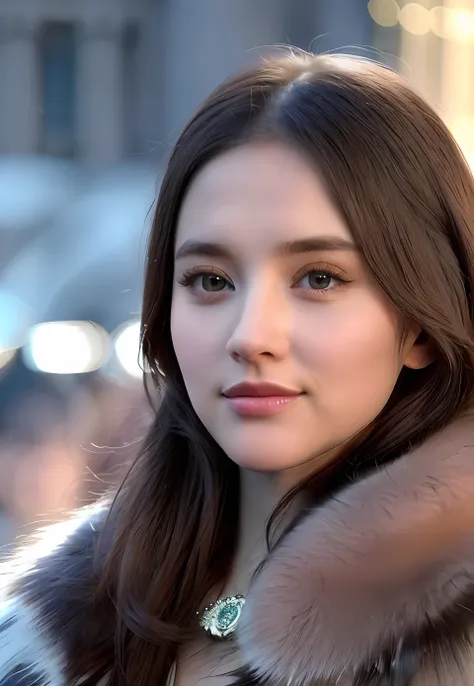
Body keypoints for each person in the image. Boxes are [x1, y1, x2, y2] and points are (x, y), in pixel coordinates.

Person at [1, 48, 474, 686]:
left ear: (420, 322)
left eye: (319, 278)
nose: (252, 336)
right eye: (211, 280)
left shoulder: (451, 642)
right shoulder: (54, 624)